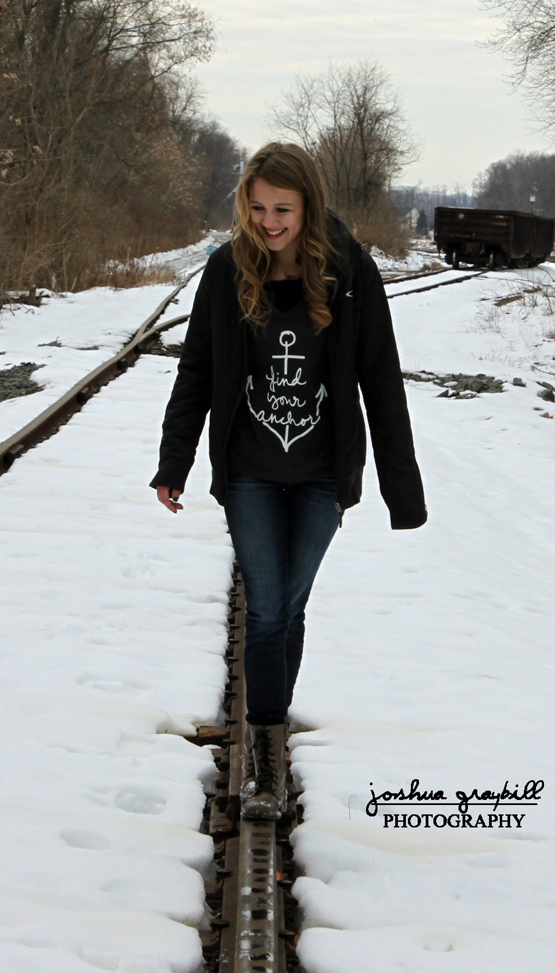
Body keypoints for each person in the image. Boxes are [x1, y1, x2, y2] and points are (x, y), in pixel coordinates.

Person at [150, 142, 427, 820]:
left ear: (308, 206)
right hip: (247, 469)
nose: (269, 221)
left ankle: (268, 736)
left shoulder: (351, 274)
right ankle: (265, 760)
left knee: (288, 609)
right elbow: (197, 370)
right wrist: (174, 461)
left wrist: (402, 490)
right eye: (257, 207)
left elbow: (381, 382)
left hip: (319, 478)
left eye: (282, 209)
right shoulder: (224, 271)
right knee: (269, 608)